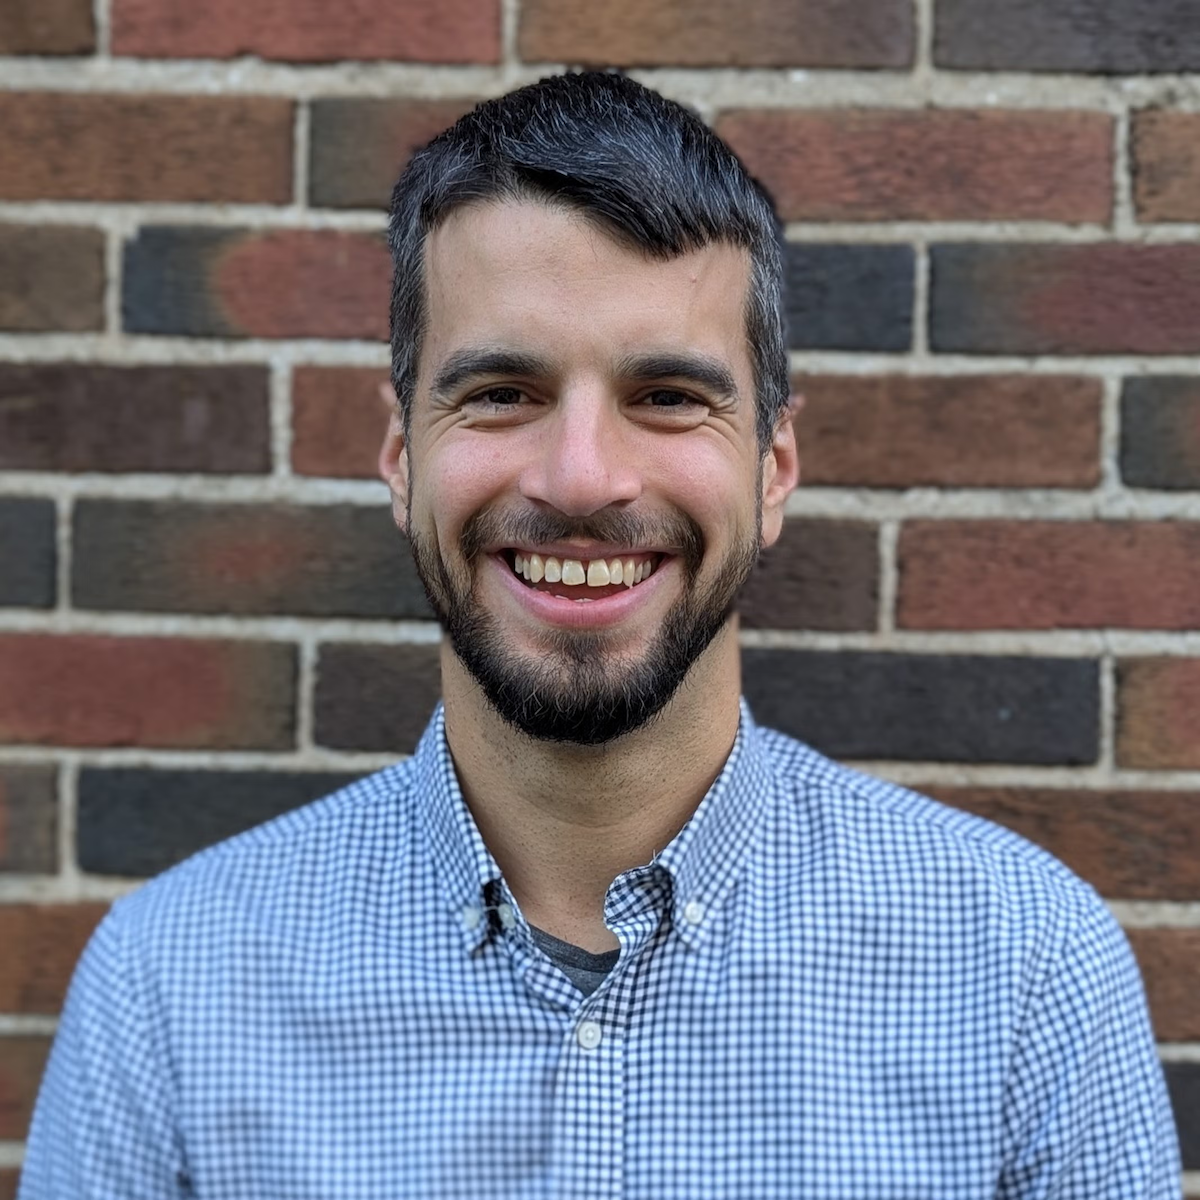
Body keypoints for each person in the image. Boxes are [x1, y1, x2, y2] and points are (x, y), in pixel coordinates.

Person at [21, 72, 1178, 1198]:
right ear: (398, 455)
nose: (582, 476)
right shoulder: (172, 994)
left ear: (772, 469)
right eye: (502, 393)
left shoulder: (1022, 972)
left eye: (669, 395)